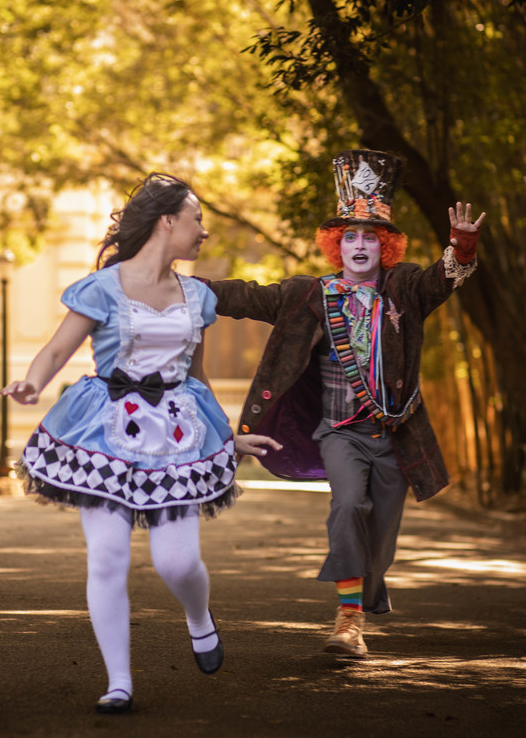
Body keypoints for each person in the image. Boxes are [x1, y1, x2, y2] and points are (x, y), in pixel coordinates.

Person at [0, 173, 278, 714]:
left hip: (177, 437)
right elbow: (57, 350)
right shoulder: (101, 286)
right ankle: (119, 681)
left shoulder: (197, 296)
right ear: (167, 221)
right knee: (106, 557)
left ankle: (199, 618)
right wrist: (31, 382)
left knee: (177, 564)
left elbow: (196, 379)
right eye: (197, 220)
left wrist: (229, 437)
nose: (204, 233)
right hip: (102, 432)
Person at [205, 149, 484, 658]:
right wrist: (177, 285)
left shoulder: (405, 288)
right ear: (337, 246)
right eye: (349, 236)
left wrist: (461, 250)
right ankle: (348, 621)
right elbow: (244, 296)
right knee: (349, 504)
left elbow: (443, 279)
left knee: (382, 537)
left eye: (370, 237)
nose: (359, 244)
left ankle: (364, 591)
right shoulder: (308, 295)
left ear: (386, 246)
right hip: (338, 432)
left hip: (397, 433)